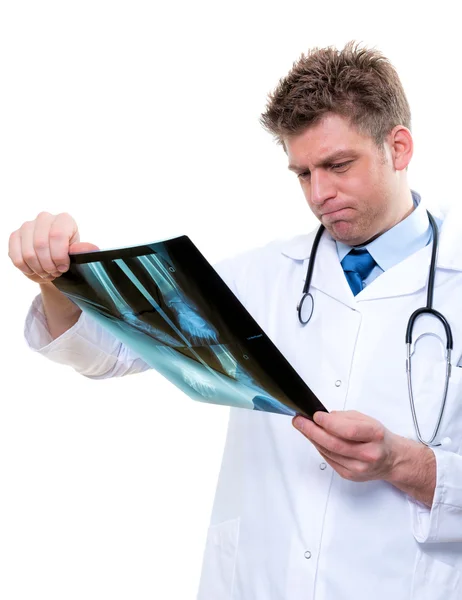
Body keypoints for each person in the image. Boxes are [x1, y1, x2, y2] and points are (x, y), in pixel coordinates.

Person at [9, 41, 462, 599]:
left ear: (398, 147)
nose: (319, 194)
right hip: (260, 581)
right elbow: (115, 352)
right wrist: (57, 280)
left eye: (338, 165)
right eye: (302, 174)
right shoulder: (265, 274)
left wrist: (404, 464)